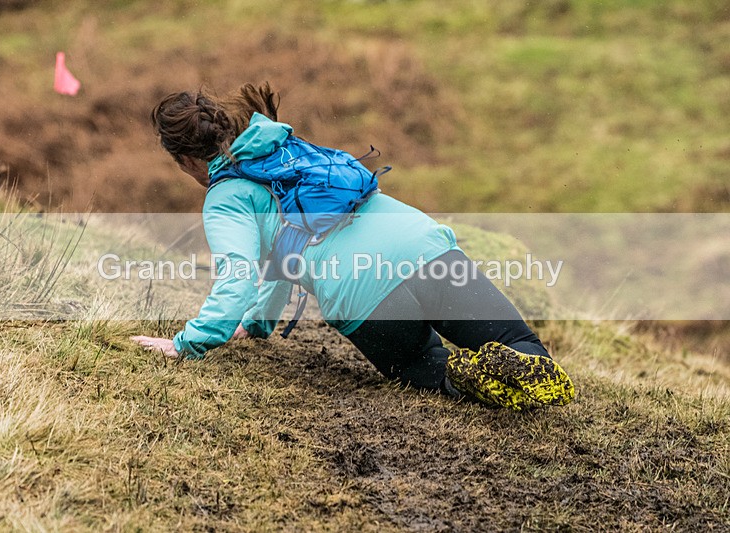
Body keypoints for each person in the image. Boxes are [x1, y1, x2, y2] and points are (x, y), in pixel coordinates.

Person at [131, 82, 575, 410]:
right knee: (518, 343)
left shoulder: (226, 197)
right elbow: (281, 257)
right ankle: (520, 361)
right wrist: (260, 324)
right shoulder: (282, 149)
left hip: (364, 292)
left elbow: (241, 274)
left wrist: (188, 343)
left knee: (423, 367)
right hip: (425, 247)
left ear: (187, 161)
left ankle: (460, 376)